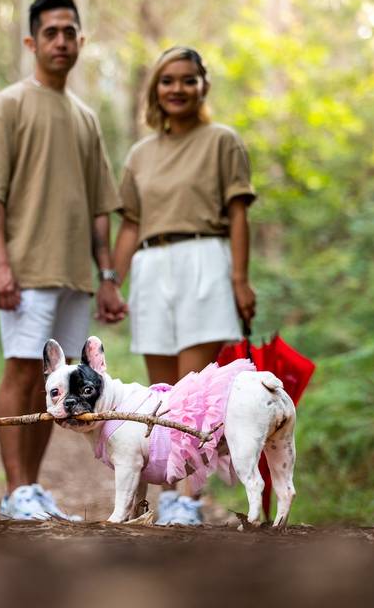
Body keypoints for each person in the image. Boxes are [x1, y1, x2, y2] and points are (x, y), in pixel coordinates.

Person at [0, 0, 124, 520]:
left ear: (81, 41)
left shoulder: (85, 118)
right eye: (50, 32)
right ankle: (15, 492)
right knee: (21, 373)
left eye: (69, 32)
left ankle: (30, 490)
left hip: (76, 274)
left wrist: (105, 276)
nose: (61, 41)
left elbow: (102, 206)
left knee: (54, 384)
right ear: (32, 41)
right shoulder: (9, 103)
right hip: (26, 270)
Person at [108, 46, 257, 525]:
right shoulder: (140, 154)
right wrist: (113, 280)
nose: (177, 89)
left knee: (194, 391)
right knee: (163, 393)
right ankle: (167, 493)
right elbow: (130, 224)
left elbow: (238, 214)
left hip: (205, 261)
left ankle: (187, 500)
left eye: (188, 80)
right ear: (156, 88)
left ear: (202, 86)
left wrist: (240, 279)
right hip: (152, 266)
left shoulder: (223, 142)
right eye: (168, 80)